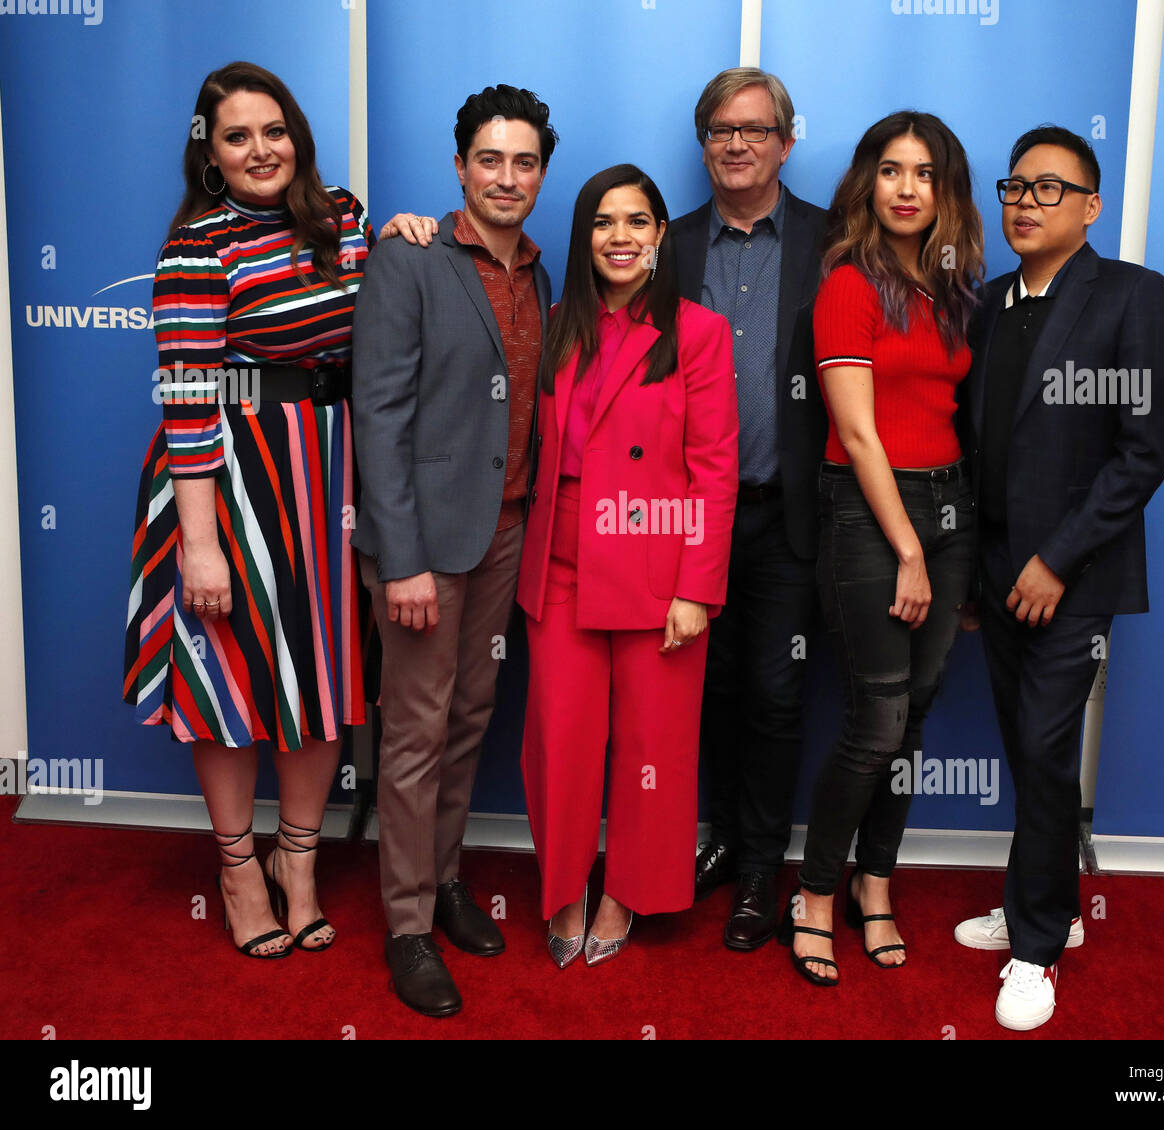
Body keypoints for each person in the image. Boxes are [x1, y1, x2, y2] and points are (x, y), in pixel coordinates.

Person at [123, 61, 375, 960]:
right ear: (210, 155)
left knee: (319, 680)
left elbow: (387, 321)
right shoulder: (200, 246)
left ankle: (296, 862)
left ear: (297, 136)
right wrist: (199, 545)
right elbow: (188, 391)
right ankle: (237, 870)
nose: (260, 150)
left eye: (274, 131)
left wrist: (417, 234)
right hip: (226, 479)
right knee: (229, 684)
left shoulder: (345, 219)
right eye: (237, 137)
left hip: (329, 477)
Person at [953, 125, 1164, 1029]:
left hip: (1072, 575)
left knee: (1045, 753)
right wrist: (980, 571)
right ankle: (1043, 900)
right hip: (1000, 570)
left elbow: (1141, 452)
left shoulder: (1132, 296)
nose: (1024, 202)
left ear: (1091, 207)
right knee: (1026, 750)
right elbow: (976, 452)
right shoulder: (987, 303)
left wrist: (1055, 560)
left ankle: (1038, 944)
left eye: (1050, 189)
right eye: (1014, 186)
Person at [350, 85, 556, 1017]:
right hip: (425, 545)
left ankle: (443, 884)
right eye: (490, 159)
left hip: (508, 531)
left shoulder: (542, 272)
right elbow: (380, 413)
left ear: (540, 172)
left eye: (524, 162)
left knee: (469, 719)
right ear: (460, 166)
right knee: (416, 732)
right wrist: (401, 558)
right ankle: (404, 926)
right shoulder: (410, 258)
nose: (507, 177)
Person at [778, 111, 983, 986]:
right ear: (868, 183)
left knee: (917, 721)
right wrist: (905, 547)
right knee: (878, 722)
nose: (907, 188)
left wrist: (942, 537)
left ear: (946, 191)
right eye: (891, 170)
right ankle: (815, 894)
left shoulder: (951, 289)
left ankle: (877, 882)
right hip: (873, 515)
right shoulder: (847, 284)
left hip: (952, 509)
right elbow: (857, 435)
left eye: (925, 173)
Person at [516, 164, 738, 968]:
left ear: (659, 237)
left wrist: (695, 589)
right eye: (605, 222)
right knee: (560, 742)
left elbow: (715, 469)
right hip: (562, 562)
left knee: (653, 748)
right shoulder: (556, 324)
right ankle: (565, 887)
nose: (621, 236)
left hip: (657, 567)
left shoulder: (698, 333)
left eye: (638, 221)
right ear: (585, 238)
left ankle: (627, 893)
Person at [671, 68, 828, 951]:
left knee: (776, 692)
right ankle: (721, 836)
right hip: (689, 517)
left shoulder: (830, 241)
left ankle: (766, 862)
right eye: (723, 130)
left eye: (756, 130)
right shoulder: (666, 243)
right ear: (705, 144)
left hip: (788, 515)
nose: (738, 144)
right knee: (708, 689)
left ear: (786, 142)